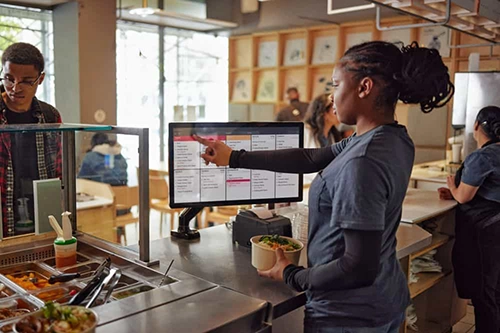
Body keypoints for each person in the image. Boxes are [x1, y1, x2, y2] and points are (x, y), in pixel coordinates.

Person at [195, 41, 454, 332]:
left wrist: (292, 274)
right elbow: (311, 157)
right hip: (382, 298)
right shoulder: (390, 137)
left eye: (336, 84)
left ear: (364, 87)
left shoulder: (363, 160)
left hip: (349, 314)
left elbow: (358, 267)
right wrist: (234, 157)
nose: (331, 97)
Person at [438, 106, 500, 333]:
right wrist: (455, 192)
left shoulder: (482, 156)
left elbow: (464, 196)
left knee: (484, 295)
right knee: (496, 291)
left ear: (476, 126)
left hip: (486, 233)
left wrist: (453, 187)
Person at [0, 42, 62, 237]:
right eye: (9, 78)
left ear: (40, 79)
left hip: (42, 219)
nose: (15, 88)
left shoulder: (50, 116)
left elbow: (59, 172)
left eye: (26, 81)